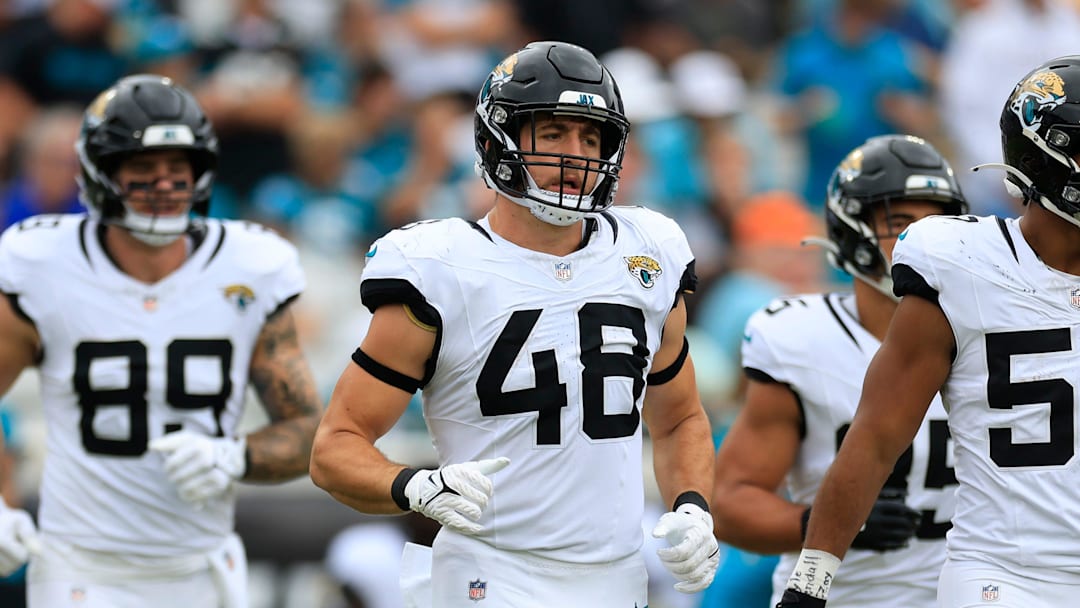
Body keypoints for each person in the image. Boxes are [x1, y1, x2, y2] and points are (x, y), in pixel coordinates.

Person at [309, 41, 718, 607]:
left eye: (591, 136)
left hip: (618, 577)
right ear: (495, 140)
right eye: (553, 134)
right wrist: (415, 486)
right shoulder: (439, 266)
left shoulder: (650, 252)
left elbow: (679, 421)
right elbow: (335, 448)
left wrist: (692, 506)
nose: (576, 155)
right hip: (490, 576)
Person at [0, 74, 322, 608]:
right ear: (101, 173)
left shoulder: (252, 265)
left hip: (204, 566)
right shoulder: (42, 264)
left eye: (178, 168)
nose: (165, 183)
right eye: (142, 169)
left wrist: (234, 457)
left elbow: (309, 432)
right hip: (81, 567)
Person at [777, 55, 1080, 608]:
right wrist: (810, 584)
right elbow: (875, 438)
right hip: (1008, 577)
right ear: (1046, 157)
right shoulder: (963, 264)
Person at [712, 134, 966, 608]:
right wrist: (817, 524)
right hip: (847, 597)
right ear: (853, 232)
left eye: (939, 223)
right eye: (901, 224)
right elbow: (728, 502)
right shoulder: (802, 339)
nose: (925, 241)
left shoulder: (993, 333)